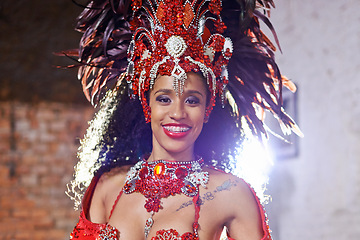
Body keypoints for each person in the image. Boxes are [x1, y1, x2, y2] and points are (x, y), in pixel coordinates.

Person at [64, 0, 301, 239]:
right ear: (147, 105)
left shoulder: (231, 193)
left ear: (208, 108)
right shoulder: (107, 187)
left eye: (192, 100)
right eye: (164, 99)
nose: (178, 113)